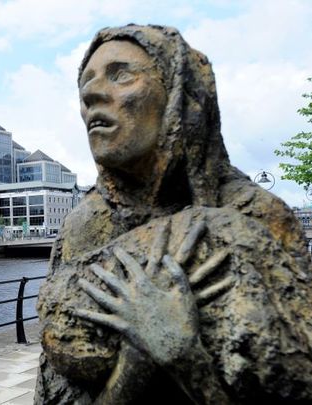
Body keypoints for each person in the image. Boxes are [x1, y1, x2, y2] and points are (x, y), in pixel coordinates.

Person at [35, 25, 312, 404]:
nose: (91, 93)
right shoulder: (81, 227)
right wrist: (136, 360)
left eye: (121, 75)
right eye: (86, 82)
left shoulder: (256, 216)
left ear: (179, 96)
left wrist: (185, 357)